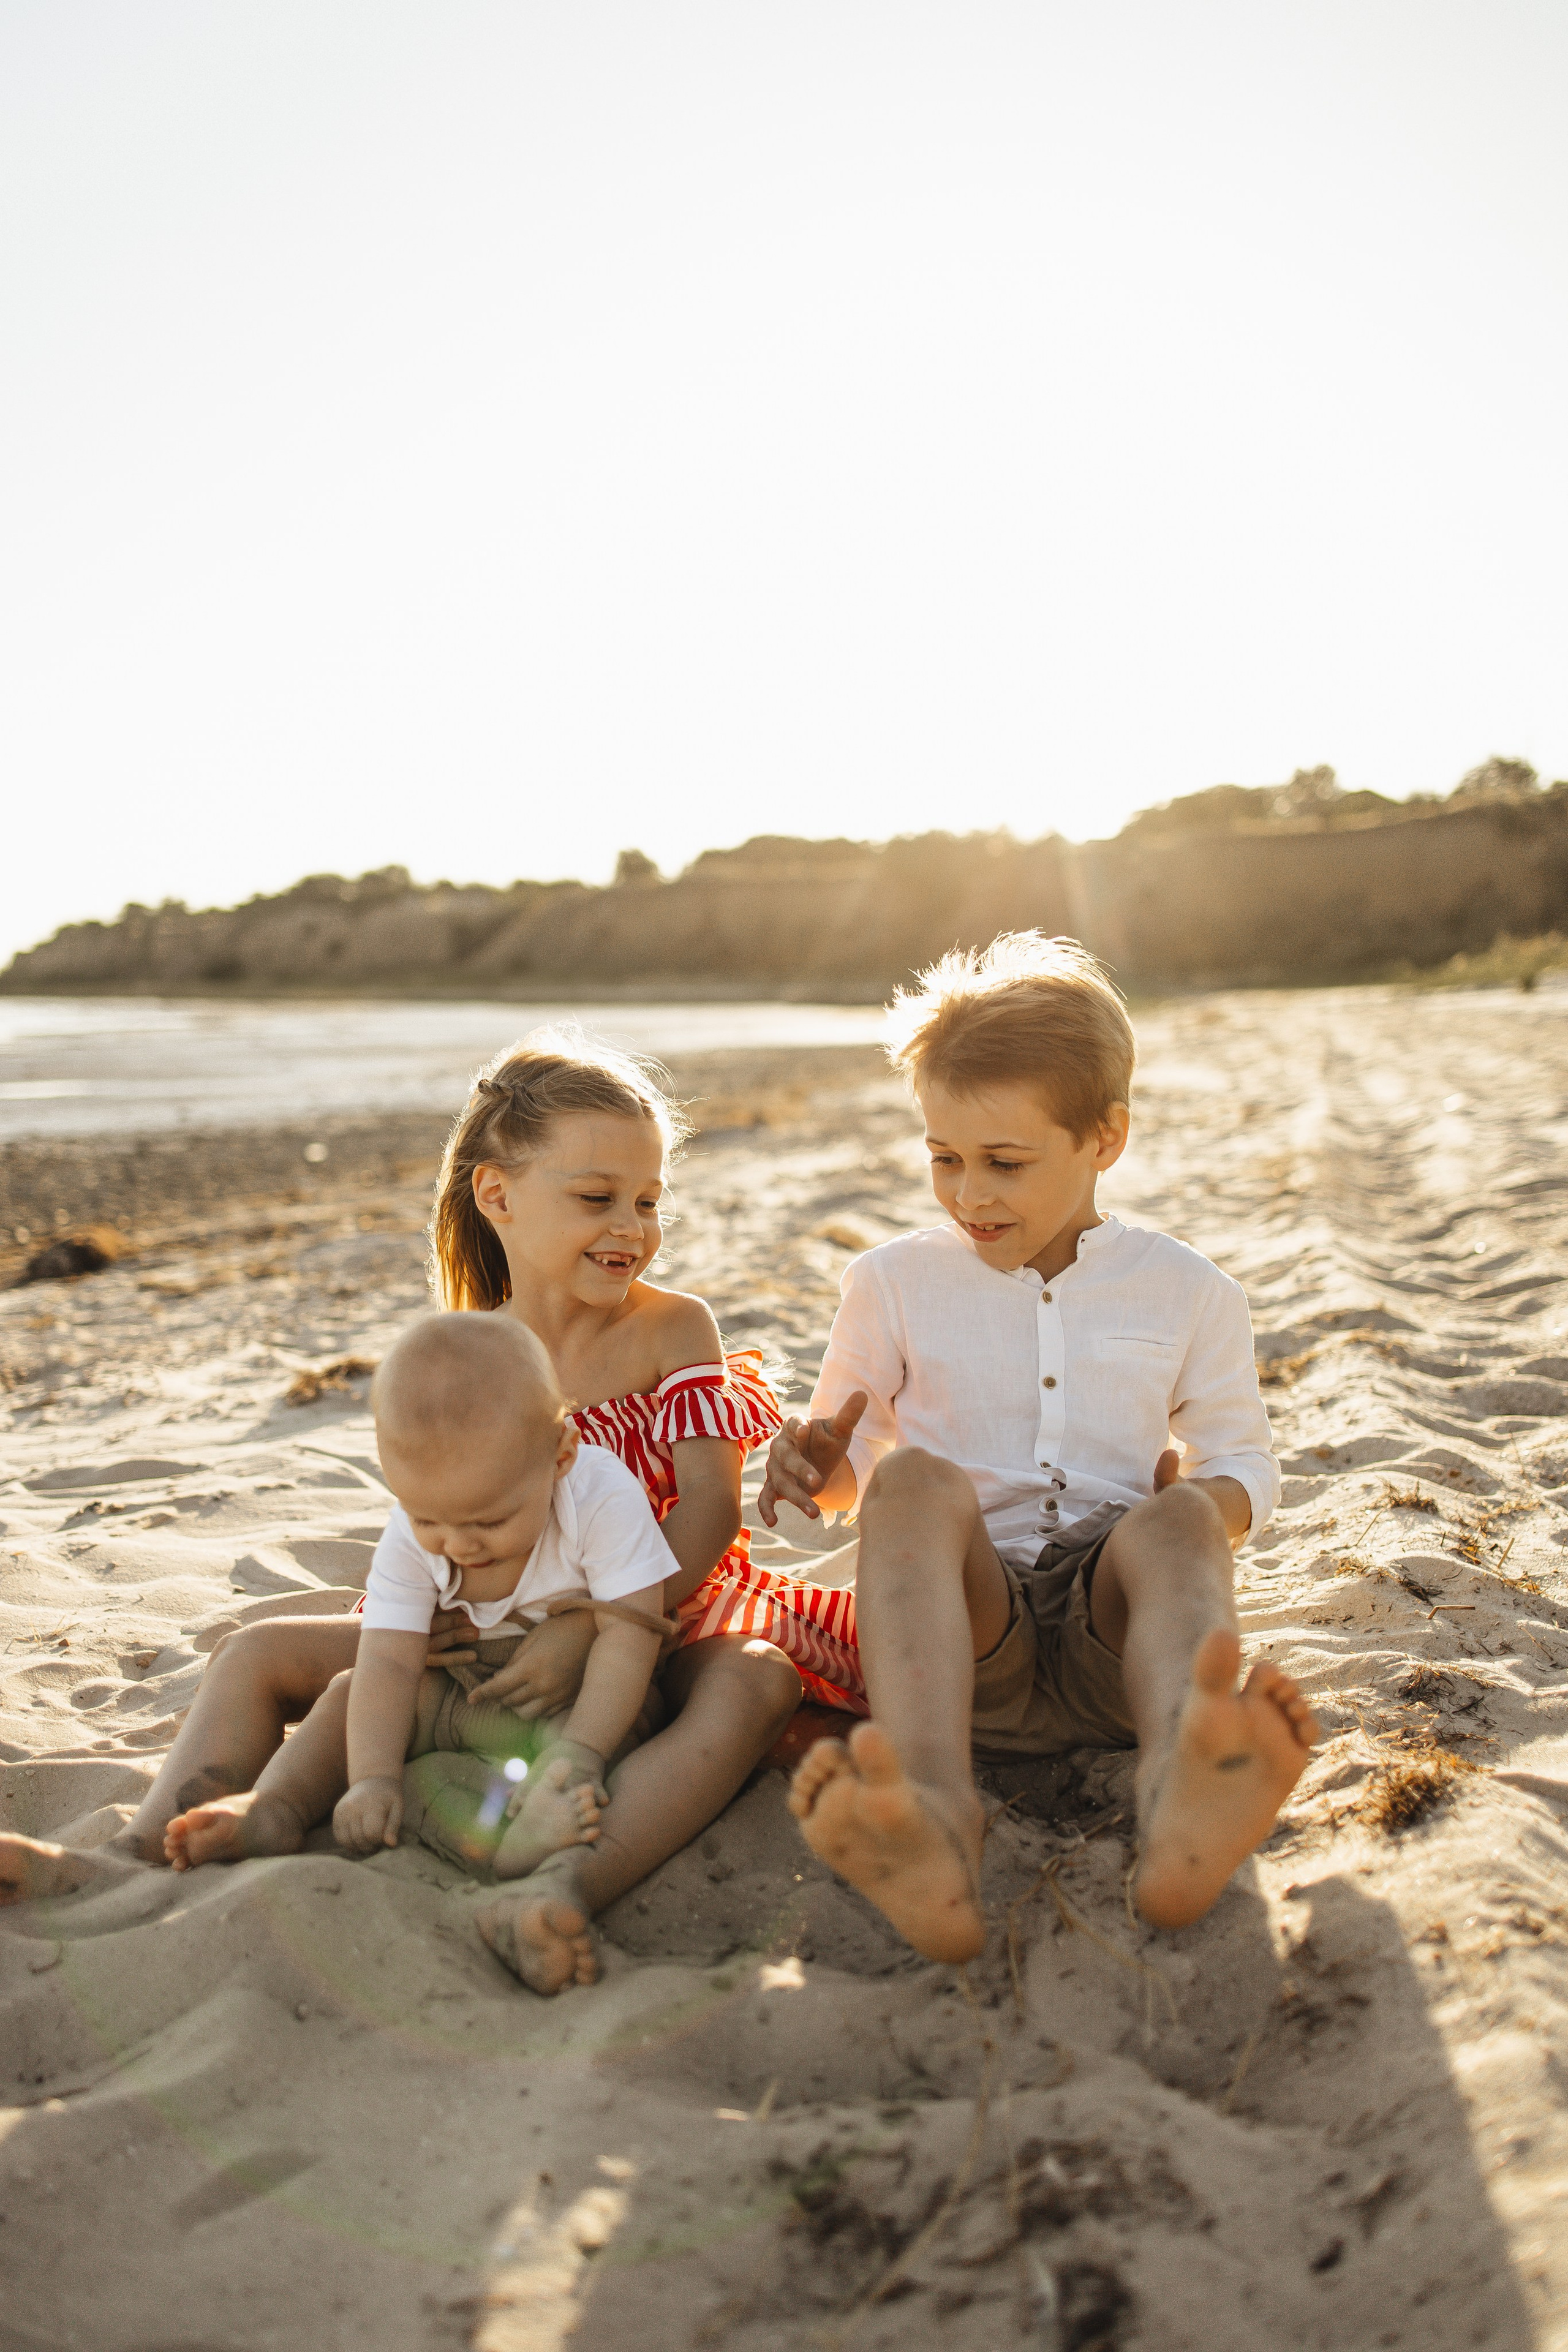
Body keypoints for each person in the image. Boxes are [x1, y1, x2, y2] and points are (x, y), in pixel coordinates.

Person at [1, 1035, 857, 1994]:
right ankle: (129, 1857)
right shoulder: (469, 1351)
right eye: (597, 1198)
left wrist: (589, 1625)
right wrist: (442, 1621)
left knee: (757, 1679)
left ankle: (563, 1887)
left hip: (665, 1607)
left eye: (648, 1201)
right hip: (488, 1620)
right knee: (256, 1651)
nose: (632, 1227)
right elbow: (438, 1523)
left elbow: (710, 1509)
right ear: (498, 1195)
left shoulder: (672, 1328)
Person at [760, 932, 1317, 1964]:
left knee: (1183, 1513)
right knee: (912, 1480)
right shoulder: (890, 1283)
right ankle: (934, 1809)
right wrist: (812, 1468)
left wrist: (1191, 1516)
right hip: (967, 1645)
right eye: (945, 1158)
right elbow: (854, 1473)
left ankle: (1179, 1797)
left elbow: (1246, 1464)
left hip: (1118, 1645)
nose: (969, 1195)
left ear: (1105, 1139)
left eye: (1004, 1164)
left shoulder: (1189, 1291)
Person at [322, 1313, 674, 1877]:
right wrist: (372, 1776)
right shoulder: (412, 1526)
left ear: (561, 1455)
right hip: (457, 1693)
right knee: (348, 1701)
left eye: (490, 1521)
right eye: (428, 1520)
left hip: (565, 1700)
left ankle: (525, 1835)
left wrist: (581, 1750)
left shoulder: (601, 1494)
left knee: (620, 1734)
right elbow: (388, 1659)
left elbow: (630, 1632)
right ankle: (280, 1803)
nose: (459, 1545)